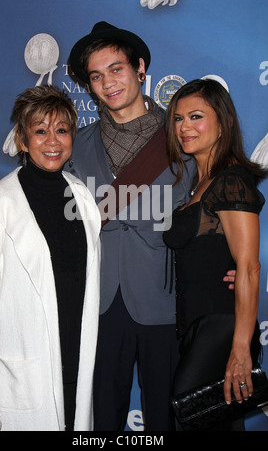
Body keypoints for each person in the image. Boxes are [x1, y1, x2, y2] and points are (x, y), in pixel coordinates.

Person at [67, 22, 235, 431]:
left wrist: (226, 269)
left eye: (117, 69)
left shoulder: (183, 139)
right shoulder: (74, 144)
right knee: (101, 417)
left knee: (167, 417)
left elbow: (216, 206)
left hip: (166, 300)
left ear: (140, 68)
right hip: (99, 303)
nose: (108, 82)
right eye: (96, 75)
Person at [0, 85, 101, 431]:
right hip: (22, 354)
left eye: (62, 130)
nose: (52, 141)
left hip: (74, 346)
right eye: (40, 131)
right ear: (23, 141)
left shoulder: (82, 196)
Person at [163, 78, 267, 430]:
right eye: (178, 119)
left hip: (221, 326)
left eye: (195, 117)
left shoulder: (232, 179)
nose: (184, 128)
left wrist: (240, 349)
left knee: (188, 420)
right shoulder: (200, 179)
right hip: (199, 325)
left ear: (223, 121)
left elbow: (249, 267)